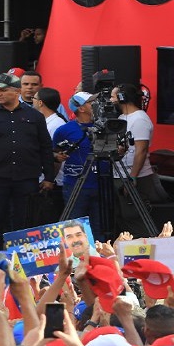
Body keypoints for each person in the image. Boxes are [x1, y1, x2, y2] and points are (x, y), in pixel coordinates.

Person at [0, 72, 55, 249]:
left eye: (4, 90)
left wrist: (48, 177)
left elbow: (45, 148)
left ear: (17, 91)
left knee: (24, 224)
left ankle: (24, 268)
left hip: (26, 179)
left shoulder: (34, 116)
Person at [53, 92, 102, 240]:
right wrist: (57, 157)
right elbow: (54, 152)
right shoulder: (64, 130)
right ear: (81, 108)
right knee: (75, 227)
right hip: (75, 185)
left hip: (101, 183)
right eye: (91, 102)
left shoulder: (104, 127)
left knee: (100, 227)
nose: (96, 104)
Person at [111, 83, 170, 204]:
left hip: (136, 177)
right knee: (123, 217)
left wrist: (132, 178)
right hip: (120, 175)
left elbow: (141, 151)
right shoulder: (122, 117)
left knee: (132, 216)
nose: (111, 100)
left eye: (113, 97)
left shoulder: (140, 119)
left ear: (122, 98)